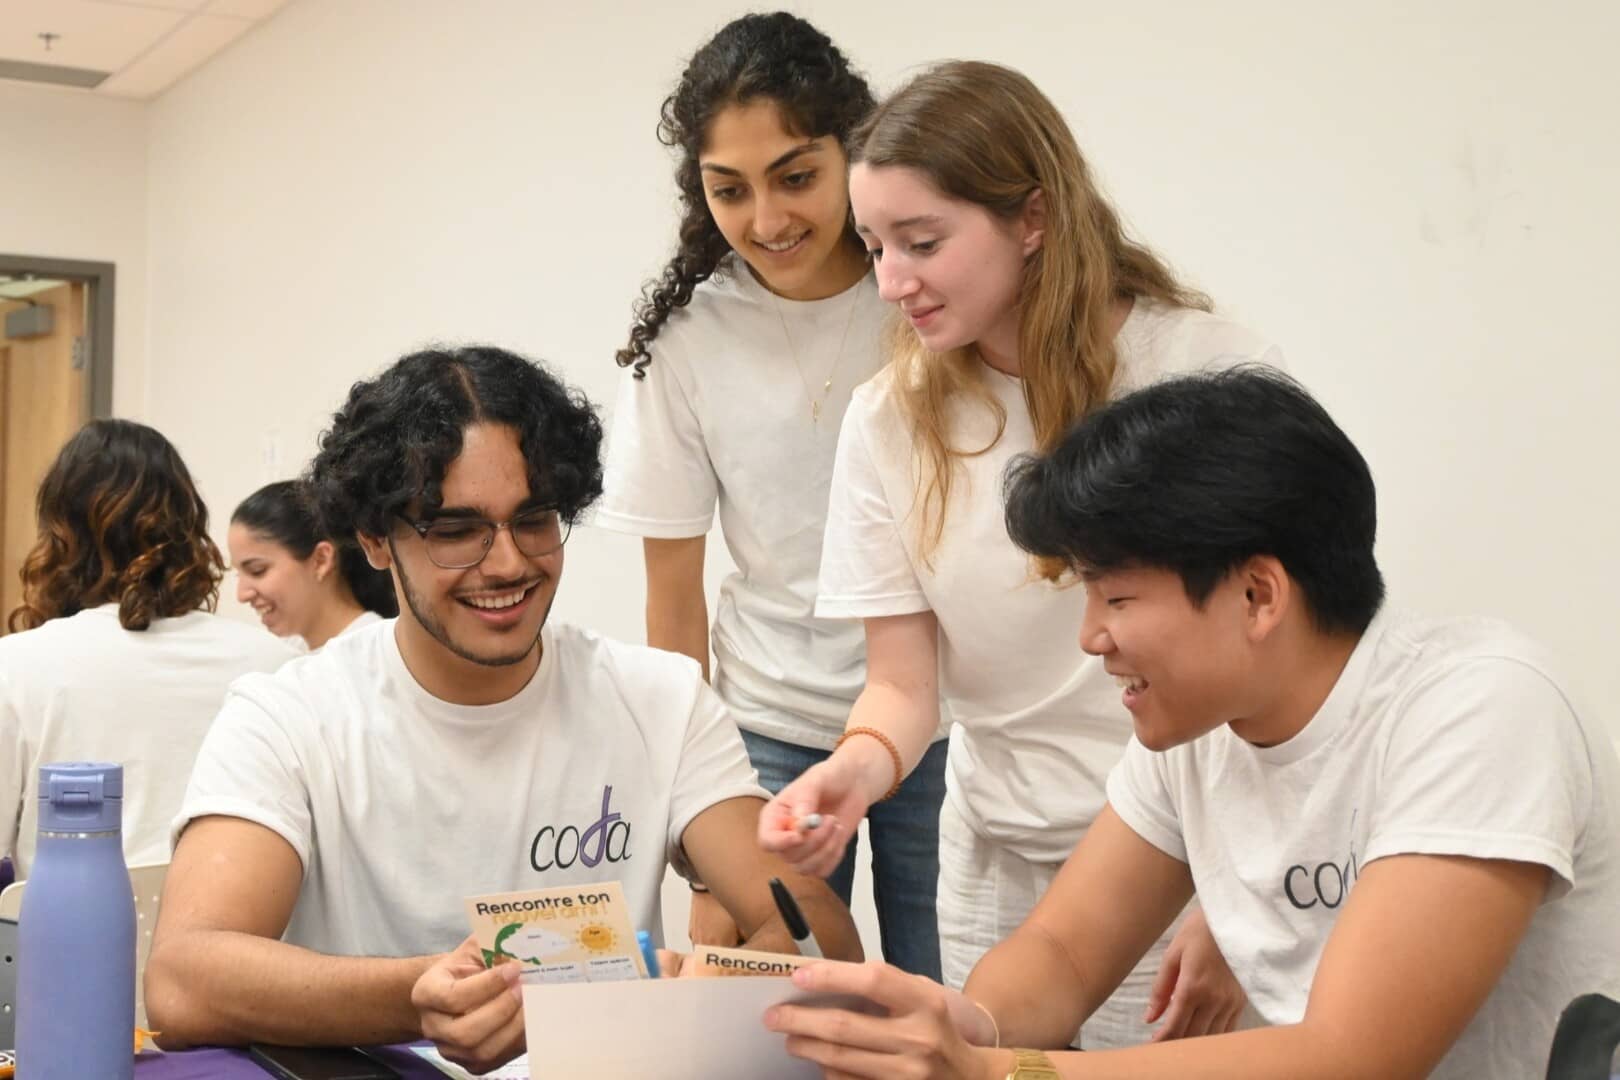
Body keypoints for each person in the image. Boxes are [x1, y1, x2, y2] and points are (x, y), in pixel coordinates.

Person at [764, 366, 1620, 1079]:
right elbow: (1062, 951)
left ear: (1257, 595)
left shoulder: (1480, 707)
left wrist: (997, 1071)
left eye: (1117, 595)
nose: (1091, 636)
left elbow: (1352, 1059)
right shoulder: (1202, 733)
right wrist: (962, 1021)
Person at [144, 346, 860, 1073]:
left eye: (535, 519)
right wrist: (418, 995)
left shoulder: (661, 700)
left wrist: (709, 996)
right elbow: (183, 980)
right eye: (457, 532)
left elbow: (817, 934)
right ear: (374, 541)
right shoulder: (289, 718)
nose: (509, 562)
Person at [761, 60, 1277, 1046]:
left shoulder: (1206, 375)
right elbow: (904, 688)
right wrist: (852, 772)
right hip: (995, 847)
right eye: (873, 246)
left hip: (1183, 858)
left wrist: (1236, 889)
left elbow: (1288, 664)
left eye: (921, 242)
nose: (889, 282)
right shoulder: (888, 421)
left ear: (1032, 219)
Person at [597, 11, 945, 975]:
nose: (768, 219)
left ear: (855, 153)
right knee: (771, 1005)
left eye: (797, 176)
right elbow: (674, 603)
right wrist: (700, 810)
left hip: (944, 720)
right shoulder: (686, 342)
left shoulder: (928, 298)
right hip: (767, 727)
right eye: (729, 190)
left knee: (946, 991)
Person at [0, 419, 291, 875]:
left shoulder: (15, 667)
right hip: (240, 939)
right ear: (189, 527)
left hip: (65, 942)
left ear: (59, 533)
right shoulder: (276, 664)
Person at [229, 479, 398, 650]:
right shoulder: (290, 650)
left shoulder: (371, 651)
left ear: (321, 560)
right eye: (238, 574)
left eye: (257, 571)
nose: (241, 595)